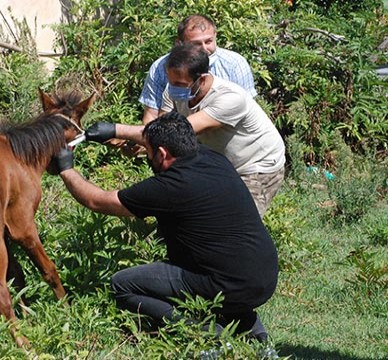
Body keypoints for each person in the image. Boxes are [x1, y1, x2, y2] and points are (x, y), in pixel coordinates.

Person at [51, 112, 278, 341]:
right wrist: (114, 130)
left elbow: (97, 200)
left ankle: (202, 332)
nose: (147, 156)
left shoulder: (170, 187)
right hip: (264, 277)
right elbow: (155, 138)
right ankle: (253, 330)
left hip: (225, 283)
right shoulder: (212, 158)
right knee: (225, 273)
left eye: (148, 152)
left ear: (161, 154)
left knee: (122, 285)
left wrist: (66, 169)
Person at [159, 43, 285, 217]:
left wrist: (118, 131)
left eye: (179, 83)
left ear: (201, 79)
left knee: (239, 225)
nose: (173, 88)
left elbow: (177, 133)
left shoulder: (230, 97)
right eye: (171, 81)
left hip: (255, 166)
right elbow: (160, 129)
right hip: (219, 164)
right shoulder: (175, 88)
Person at [139, 15, 257, 125]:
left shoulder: (234, 64)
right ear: (179, 43)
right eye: (196, 44)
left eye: (208, 41)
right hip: (182, 136)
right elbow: (152, 115)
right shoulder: (160, 67)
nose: (204, 49)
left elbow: (248, 110)